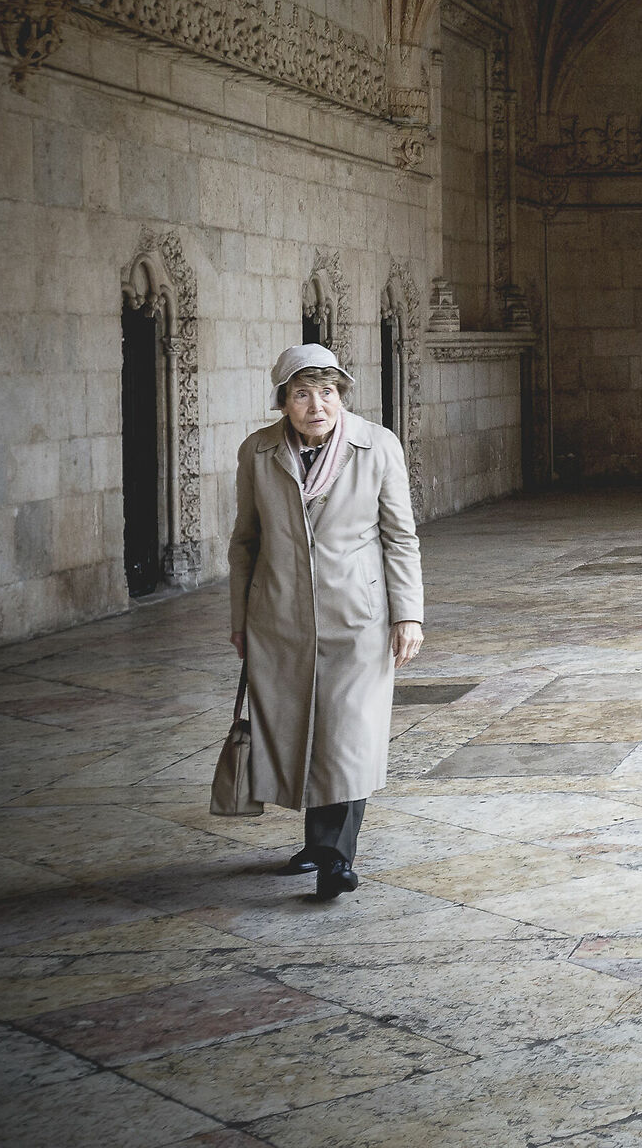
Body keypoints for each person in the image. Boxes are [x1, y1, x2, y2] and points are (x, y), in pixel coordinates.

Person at [228, 343, 424, 900]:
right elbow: (244, 541)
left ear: (342, 395)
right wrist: (240, 616)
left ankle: (337, 856)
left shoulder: (377, 446)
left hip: (358, 617)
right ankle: (317, 842)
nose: (317, 404)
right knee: (302, 729)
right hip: (280, 618)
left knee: (347, 734)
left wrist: (407, 613)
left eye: (328, 391)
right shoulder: (258, 452)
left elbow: (400, 536)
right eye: (302, 393)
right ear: (283, 402)